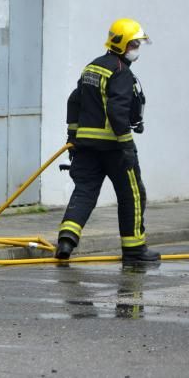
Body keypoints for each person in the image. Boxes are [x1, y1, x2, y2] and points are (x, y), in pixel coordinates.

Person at [55, 18, 158, 264]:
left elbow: (74, 101)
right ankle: (134, 251)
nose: (137, 48)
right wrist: (126, 145)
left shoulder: (92, 67)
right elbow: (116, 110)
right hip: (114, 147)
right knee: (132, 194)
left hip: (86, 147)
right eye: (134, 43)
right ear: (122, 44)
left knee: (84, 192)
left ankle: (66, 241)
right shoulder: (120, 71)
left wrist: (73, 136)